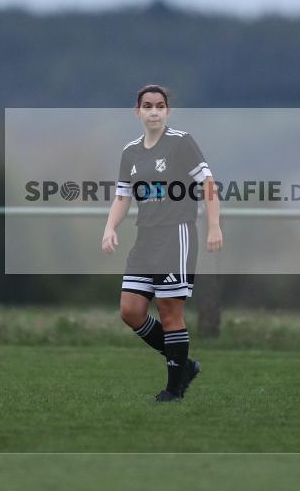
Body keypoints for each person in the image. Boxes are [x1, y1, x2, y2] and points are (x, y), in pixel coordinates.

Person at [102, 85, 223, 402]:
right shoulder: (130, 152)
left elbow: (208, 185)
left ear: (167, 111)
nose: (153, 111)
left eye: (159, 106)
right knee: (130, 310)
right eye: (147, 105)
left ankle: (173, 389)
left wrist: (214, 226)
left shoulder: (181, 143)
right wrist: (109, 227)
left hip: (176, 234)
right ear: (137, 111)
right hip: (146, 238)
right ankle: (185, 365)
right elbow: (122, 197)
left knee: (170, 312)